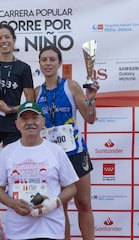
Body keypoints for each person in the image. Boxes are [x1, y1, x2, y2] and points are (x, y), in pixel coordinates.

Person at [35, 45, 99, 240]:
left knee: (84, 203)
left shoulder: (71, 86)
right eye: (44, 60)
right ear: (39, 63)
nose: (48, 63)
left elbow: (89, 118)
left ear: (59, 63)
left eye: (52, 59)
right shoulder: (37, 91)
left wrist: (90, 100)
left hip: (75, 152)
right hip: (51, 156)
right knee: (58, 206)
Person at [0, 101, 79, 240]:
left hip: (50, 230)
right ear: (17, 124)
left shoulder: (56, 151)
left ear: (43, 121)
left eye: (35, 118)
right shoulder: (8, 152)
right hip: (18, 231)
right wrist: (13, 204)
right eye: (24, 119)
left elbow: (71, 188)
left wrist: (54, 203)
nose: (30, 122)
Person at [0, 22, 35, 237]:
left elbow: (31, 103)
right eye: (0, 38)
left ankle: (17, 218)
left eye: (7, 37)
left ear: (13, 40)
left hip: (13, 126)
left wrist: (9, 108)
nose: (4, 41)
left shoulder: (23, 68)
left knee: (14, 175)